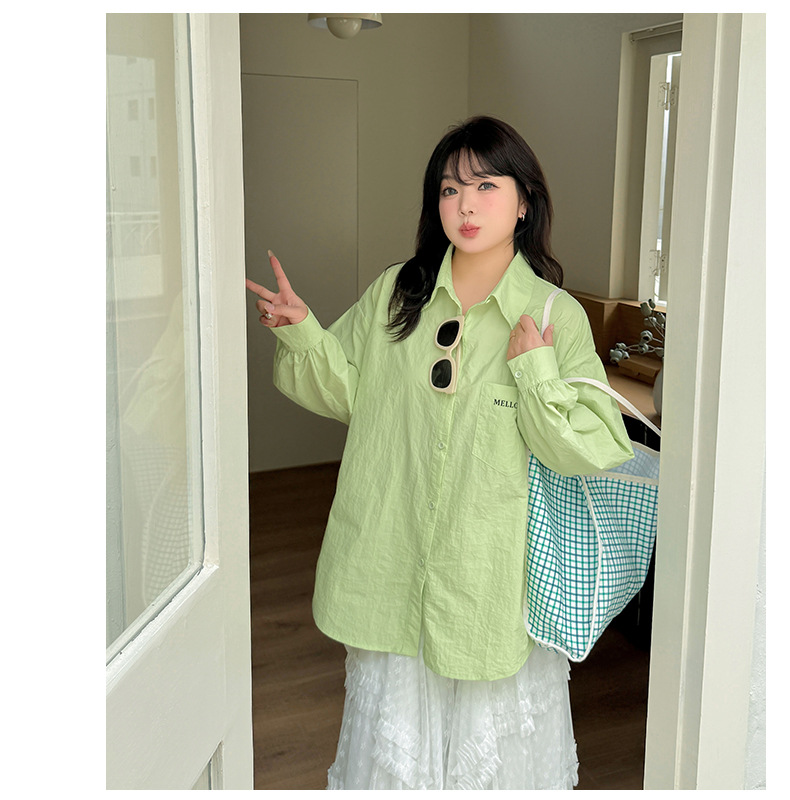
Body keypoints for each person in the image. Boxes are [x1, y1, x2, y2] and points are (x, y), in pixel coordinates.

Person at [246, 116, 633, 790]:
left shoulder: (552, 315)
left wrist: (537, 372)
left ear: (524, 202)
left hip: (491, 580)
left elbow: (592, 445)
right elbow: (349, 392)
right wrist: (304, 330)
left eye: (486, 185)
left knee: (488, 753)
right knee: (397, 748)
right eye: (450, 189)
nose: (466, 205)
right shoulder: (399, 291)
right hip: (390, 556)